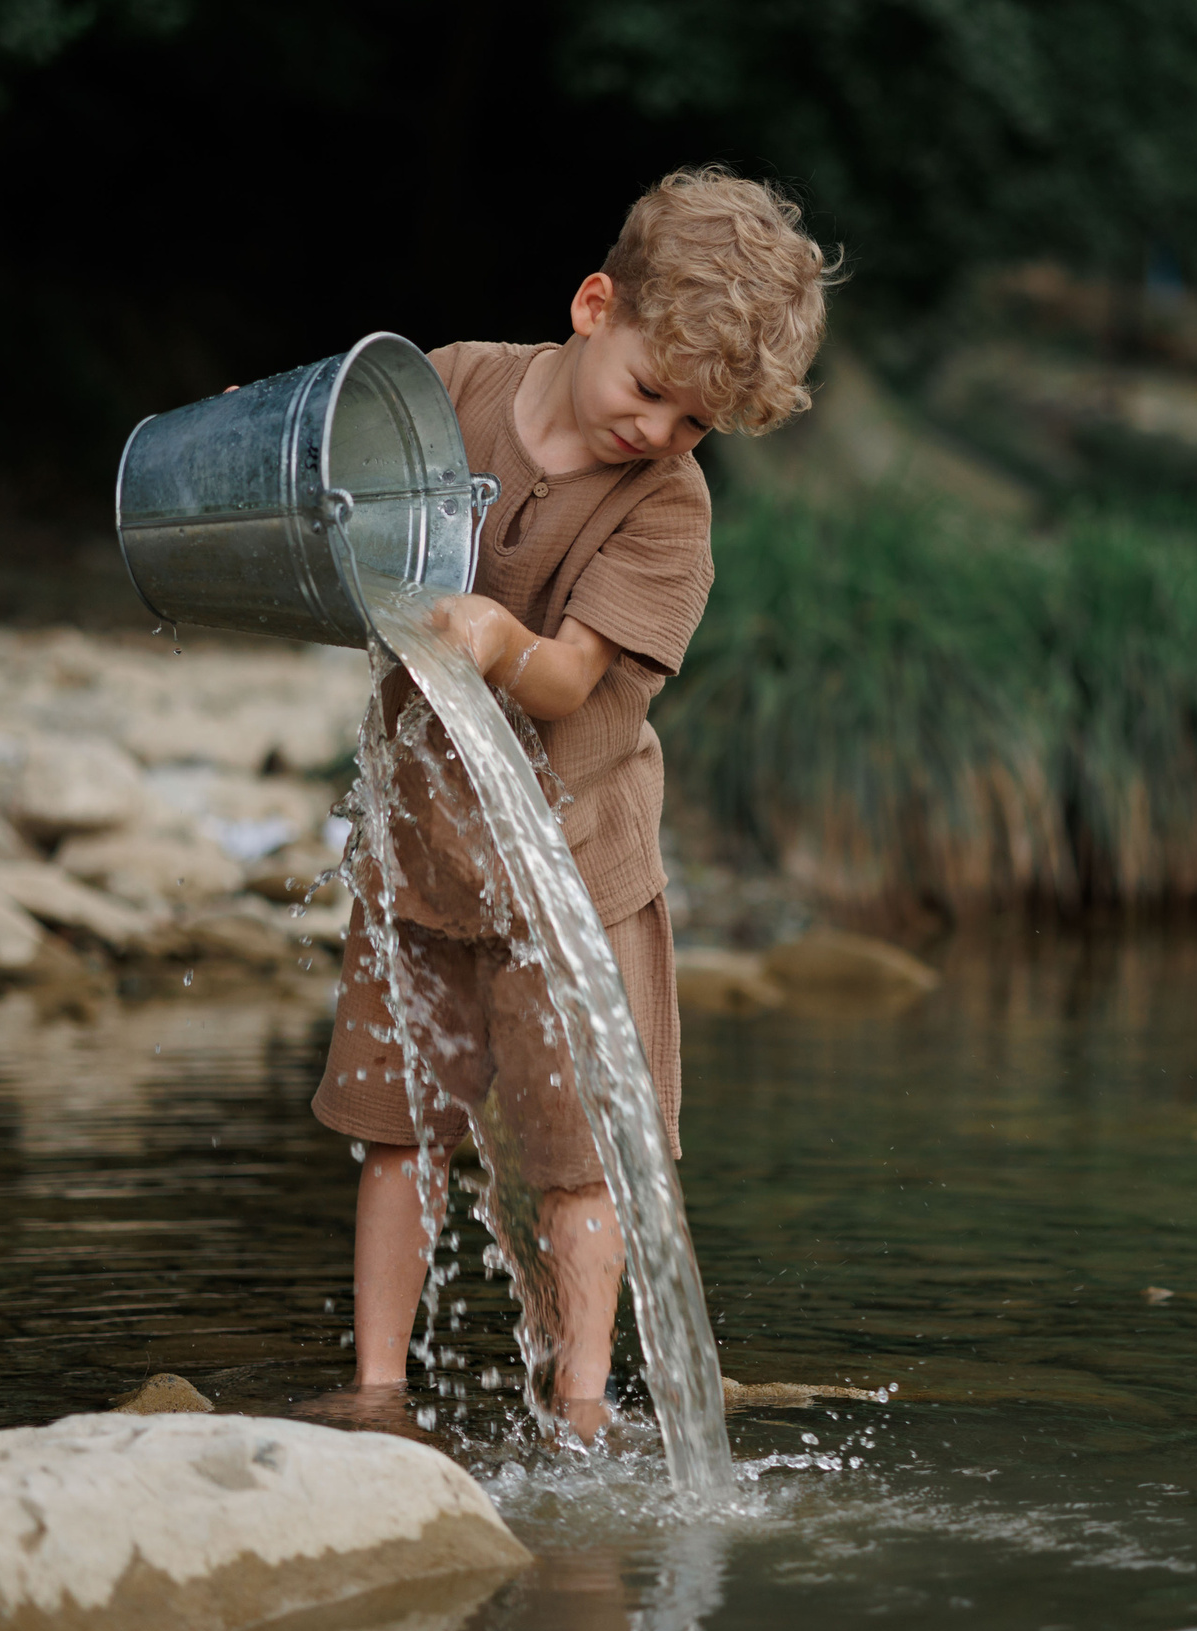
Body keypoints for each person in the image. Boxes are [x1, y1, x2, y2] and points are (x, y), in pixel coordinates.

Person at [309, 168, 834, 1440]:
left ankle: (584, 1403)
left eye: (695, 425)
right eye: (652, 393)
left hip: (572, 876)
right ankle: (379, 1389)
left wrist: (500, 636)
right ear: (595, 305)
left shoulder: (668, 515)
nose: (658, 432)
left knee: (579, 1161)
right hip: (422, 855)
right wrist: (265, 457)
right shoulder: (447, 390)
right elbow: (328, 484)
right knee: (398, 1133)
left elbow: (567, 680)